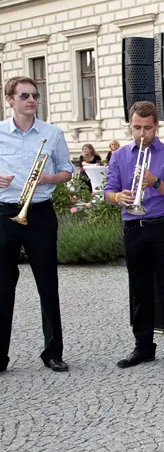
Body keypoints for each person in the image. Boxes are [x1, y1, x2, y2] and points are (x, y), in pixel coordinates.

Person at [104, 101, 164, 370]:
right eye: (137, 127)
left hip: (163, 227)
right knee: (139, 290)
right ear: (130, 125)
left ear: (156, 126)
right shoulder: (119, 156)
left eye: (147, 128)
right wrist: (119, 197)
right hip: (133, 228)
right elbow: (108, 191)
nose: (142, 134)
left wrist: (156, 182)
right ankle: (143, 347)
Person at [0, 76, 74, 373]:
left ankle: (53, 352)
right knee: (3, 287)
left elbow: (67, 170)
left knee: (47, 284)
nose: (31, 100)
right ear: (10, 100)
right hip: (4, 214)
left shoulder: (52, 133)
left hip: (40, 213)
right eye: (24, 96)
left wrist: (48, 178)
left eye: (35, 96)